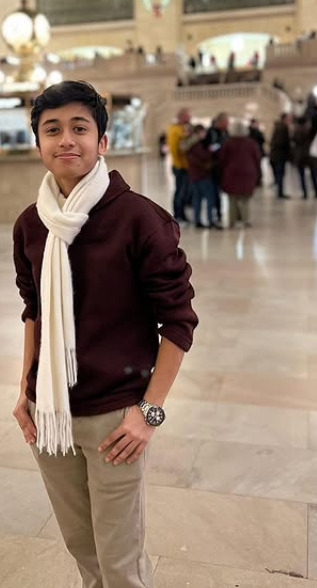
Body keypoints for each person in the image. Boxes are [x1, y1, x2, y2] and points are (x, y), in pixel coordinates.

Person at [12, 80, 197, 588]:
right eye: (53, 129)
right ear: (39, 144)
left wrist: (149, 412)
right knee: (82, 547)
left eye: (79, 128)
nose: (66, 139)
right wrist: (23, 390)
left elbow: (178, 321)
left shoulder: (139, 219)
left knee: (120, 562)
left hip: (115, 418)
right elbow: (34, 311)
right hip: (50, 416)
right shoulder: (32, 224)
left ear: (102, 142)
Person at [219, 122, 261, 228]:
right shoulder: (251, 143)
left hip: (231, 173)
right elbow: (257, 158)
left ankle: (231, 221)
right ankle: (246, 220)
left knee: (232, 199)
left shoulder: (228, 143)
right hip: (247, 172)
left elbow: (222, 159)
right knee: (245, 199)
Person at [186, 124, 220, 229]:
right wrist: (211, 152)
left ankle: (197, 220)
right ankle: (210, 219)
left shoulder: (189, 145)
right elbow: (203, 157)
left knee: (197, 199)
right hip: (202, 175)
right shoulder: (197, 145)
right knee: (210, 197)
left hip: (193, 175)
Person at [166, 108, 191, 224]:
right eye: (187, 116)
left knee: (185, 191)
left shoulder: (183, 129)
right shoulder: (174, 130)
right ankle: (178, 214)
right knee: (180, 191)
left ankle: (183, 214)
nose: (189, 118)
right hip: (179, 165)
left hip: (185, 165)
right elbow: (175, 149)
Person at [205, 112, 229, 221]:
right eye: (226, 122)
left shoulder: (225, 132)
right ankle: (215, 213)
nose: (227, 124)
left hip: (224, 166)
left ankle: (220, 212)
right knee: (214, 191)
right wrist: (219, 147)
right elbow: (207, 148)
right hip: (214, 166)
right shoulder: (211, 132)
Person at [293, 117, 317, 200]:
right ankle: (316, 191)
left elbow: (294, 142)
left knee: (302, 176)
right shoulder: (309, 130)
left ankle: (305, 193)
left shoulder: (296, 131)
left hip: (300, 155)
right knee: (313, 175)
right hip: (310, 154)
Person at [269, 113, 293, 199]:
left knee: (278, 174)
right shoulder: (283, 127)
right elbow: (284, 142)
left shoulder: (277, 127)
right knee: (280, 174)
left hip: (275, 155)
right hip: (280, 156)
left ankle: (279, 192)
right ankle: (280, 193)